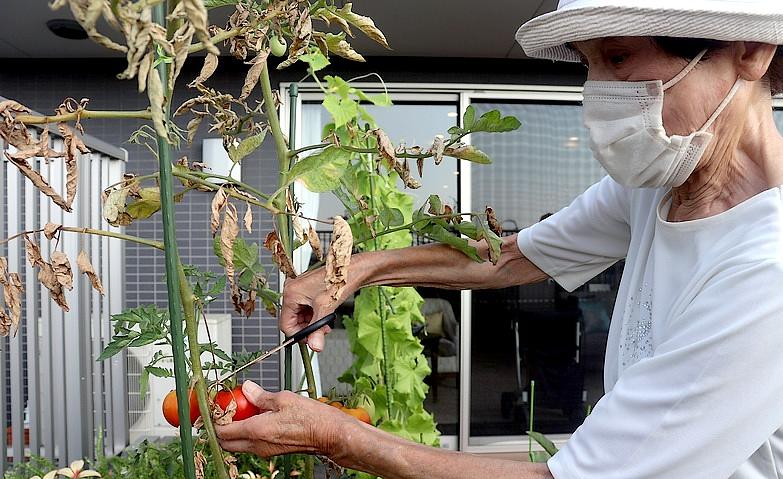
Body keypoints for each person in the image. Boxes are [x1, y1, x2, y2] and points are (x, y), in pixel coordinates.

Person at [216, 0, 783, 477]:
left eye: (619, 57)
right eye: (589, 65)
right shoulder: (659, 185)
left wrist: (335, 437)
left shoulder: (768, 268)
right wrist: (353, 271)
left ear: (749, 52)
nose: (597, 91)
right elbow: (509, 260)